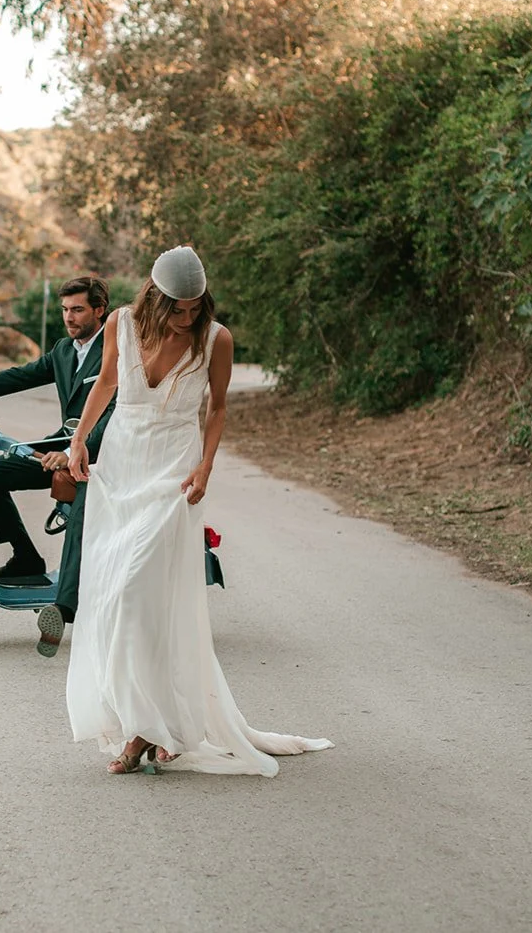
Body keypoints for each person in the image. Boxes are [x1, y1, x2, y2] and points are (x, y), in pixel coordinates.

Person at [65, 247, 332, 776]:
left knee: (140, 589)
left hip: (173, 473)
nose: (187, 317)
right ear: (153, 297)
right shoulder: (120, 323)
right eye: (176, 308)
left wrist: (206, 466)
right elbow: (107, 384)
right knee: (117, 596)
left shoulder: (216, 338)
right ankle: (154, 718)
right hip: (121, 466)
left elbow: (218, 407)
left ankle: (145, 731)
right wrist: (79, 440)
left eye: (194, 307)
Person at [0, 277, 114, 653]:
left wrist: (78, 451)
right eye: (64, 310)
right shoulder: (65, 350)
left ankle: (63, 607)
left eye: (77, 309)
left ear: (100, 310)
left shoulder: (116, 352)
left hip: (103, 455)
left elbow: (115, 412)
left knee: (80, 512)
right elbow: (21, 375)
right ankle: (26, 559)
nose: (69, 317)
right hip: (58, 448)